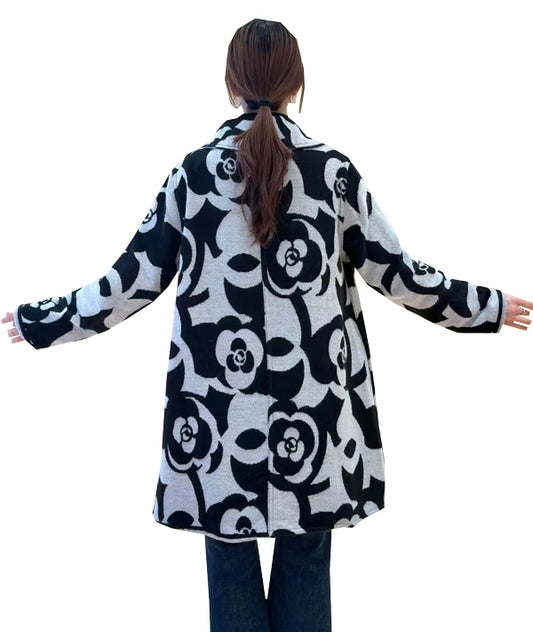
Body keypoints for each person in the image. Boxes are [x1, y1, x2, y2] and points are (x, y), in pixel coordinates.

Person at [2, 17, 532, 632]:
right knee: (306, 564)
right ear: (296, 85)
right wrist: (486, 306)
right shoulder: (332, 173)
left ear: (231, 85)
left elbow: (129, 283)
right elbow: (400, 275)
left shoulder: (192, 176)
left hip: (216, 425)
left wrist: (44, 320)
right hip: (316, 421)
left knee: (228, 569)